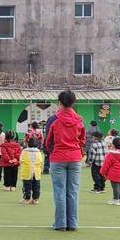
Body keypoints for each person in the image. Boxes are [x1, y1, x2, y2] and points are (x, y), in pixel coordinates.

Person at [45, 90, 86, 232]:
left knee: (59, 191)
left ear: (60, 102)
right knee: (73, 191)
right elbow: (83, 139)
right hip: (75, 157)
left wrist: (52, 152)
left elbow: (48, 141)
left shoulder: (53, 119)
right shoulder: (79, 120)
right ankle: (73, 223)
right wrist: (78, 150)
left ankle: (60, 223)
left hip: (58, 158)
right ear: (73, 103)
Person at [101, 137, 120, 206]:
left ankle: (115, 200)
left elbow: (106, 165)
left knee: (115, 187)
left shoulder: (111, 154)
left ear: (113, 145)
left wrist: (103, 172)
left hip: (114, 174)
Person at [19, 137, 44, 205]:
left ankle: (27, 199)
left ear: (28, 143)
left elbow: (21, 160)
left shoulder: (25, 151)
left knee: (27, 186)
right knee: (36, 186)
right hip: (36, 172)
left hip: (27, 171)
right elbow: (40, 161)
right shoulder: (38, 152)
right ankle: (35, 199)